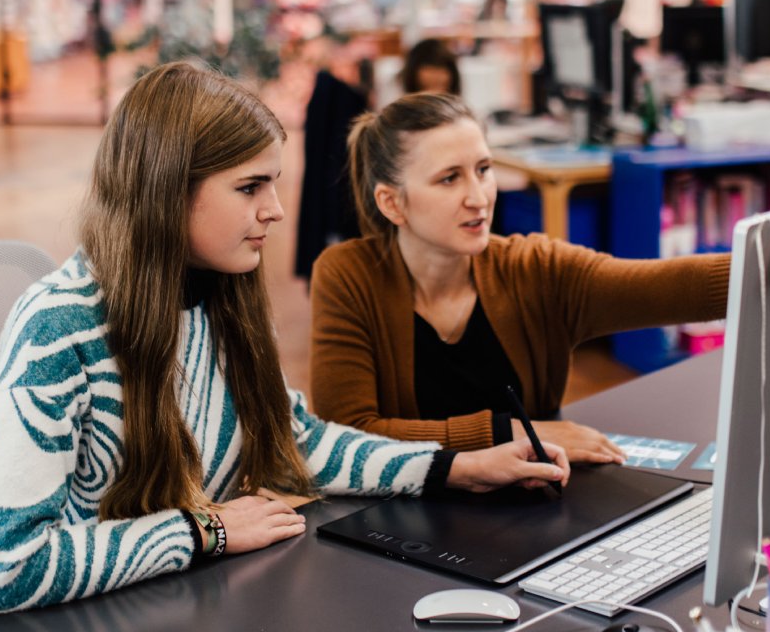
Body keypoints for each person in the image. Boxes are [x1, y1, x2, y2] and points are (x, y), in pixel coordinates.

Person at [0, 62, 569, 616]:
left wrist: (453, 468)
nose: (277, 211)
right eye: (250, 188)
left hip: (182, 616)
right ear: (166, 190)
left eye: (275, 183)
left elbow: (295, 443)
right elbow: (5, 569)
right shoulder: (59, 327)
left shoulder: (223, 296)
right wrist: (204, 531)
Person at [309, 92, 730, 460]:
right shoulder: (349, 276)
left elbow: (670, 287)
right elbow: (348, 436)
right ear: (392, 203)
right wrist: (507, 433)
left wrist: (766, 254)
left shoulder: (533, 269)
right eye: (450, 178)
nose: (479, 197)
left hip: (527, 504)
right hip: (397, 521)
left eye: (484, 169)